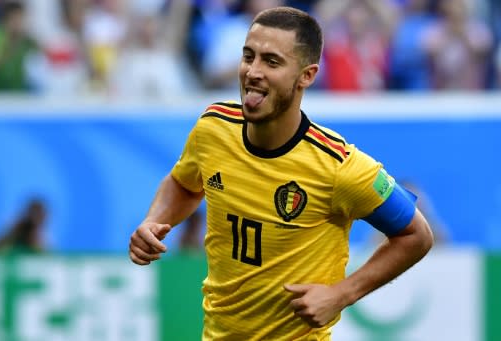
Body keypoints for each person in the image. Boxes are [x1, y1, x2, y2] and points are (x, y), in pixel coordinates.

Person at [128, 6, 433, 340]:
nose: (252, 72)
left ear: (307, 75)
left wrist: (341, 295)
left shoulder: (340, 167)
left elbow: (416, 235)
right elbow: (184, 184)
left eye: (271, 62)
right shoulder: (213, 128)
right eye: (248, 56)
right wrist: (155, 221)